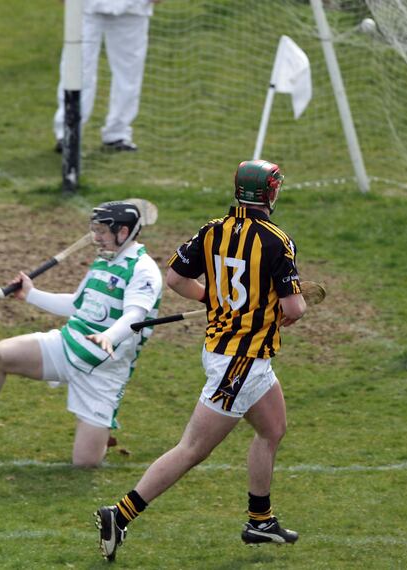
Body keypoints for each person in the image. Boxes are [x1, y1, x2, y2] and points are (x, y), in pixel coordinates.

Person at [95, 160, 307, 561]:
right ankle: (119, 514)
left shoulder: (211, 231)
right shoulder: (278, 241)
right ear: (270, 194)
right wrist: (278, 315)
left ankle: (259, 521)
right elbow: (294, 308)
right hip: (240, 363)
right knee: (192, 448)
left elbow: (175, 278)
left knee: (273, 429)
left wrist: (211, 299)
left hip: (228, 353)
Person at [0, 202, 163, 467]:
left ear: (124, 232)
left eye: (104, 231)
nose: (97, 237)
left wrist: (110, 337)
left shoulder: (143, 269)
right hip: (68, 345)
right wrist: (31, 294)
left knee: (85, 464)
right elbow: (76, 304)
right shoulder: (103, 262)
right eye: (96, 230)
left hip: (103, 370)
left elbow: (135, 315)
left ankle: (101, 431)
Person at [53, 0, 160, 153]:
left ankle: (118, 133)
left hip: (133, 6)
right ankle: (68, 132)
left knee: (129, 72)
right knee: (77, 66)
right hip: (84, 5)